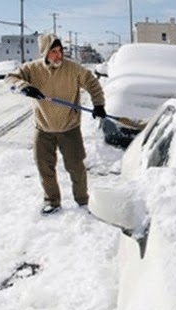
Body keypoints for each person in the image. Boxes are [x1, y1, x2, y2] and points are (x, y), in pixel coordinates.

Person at [6, 34, 107, 215]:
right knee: (44, 167)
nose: (58, 55)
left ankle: (83, 200)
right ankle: (52, 201)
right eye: (53, 51)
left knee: (76, 167)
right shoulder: (32, 69)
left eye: (60, 51)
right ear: (44, 52)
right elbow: (10, 78)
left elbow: (92, 83)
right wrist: (23, 86)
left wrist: (98, 104)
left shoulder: (72, 69)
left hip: (69, 127)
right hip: (43, 128)